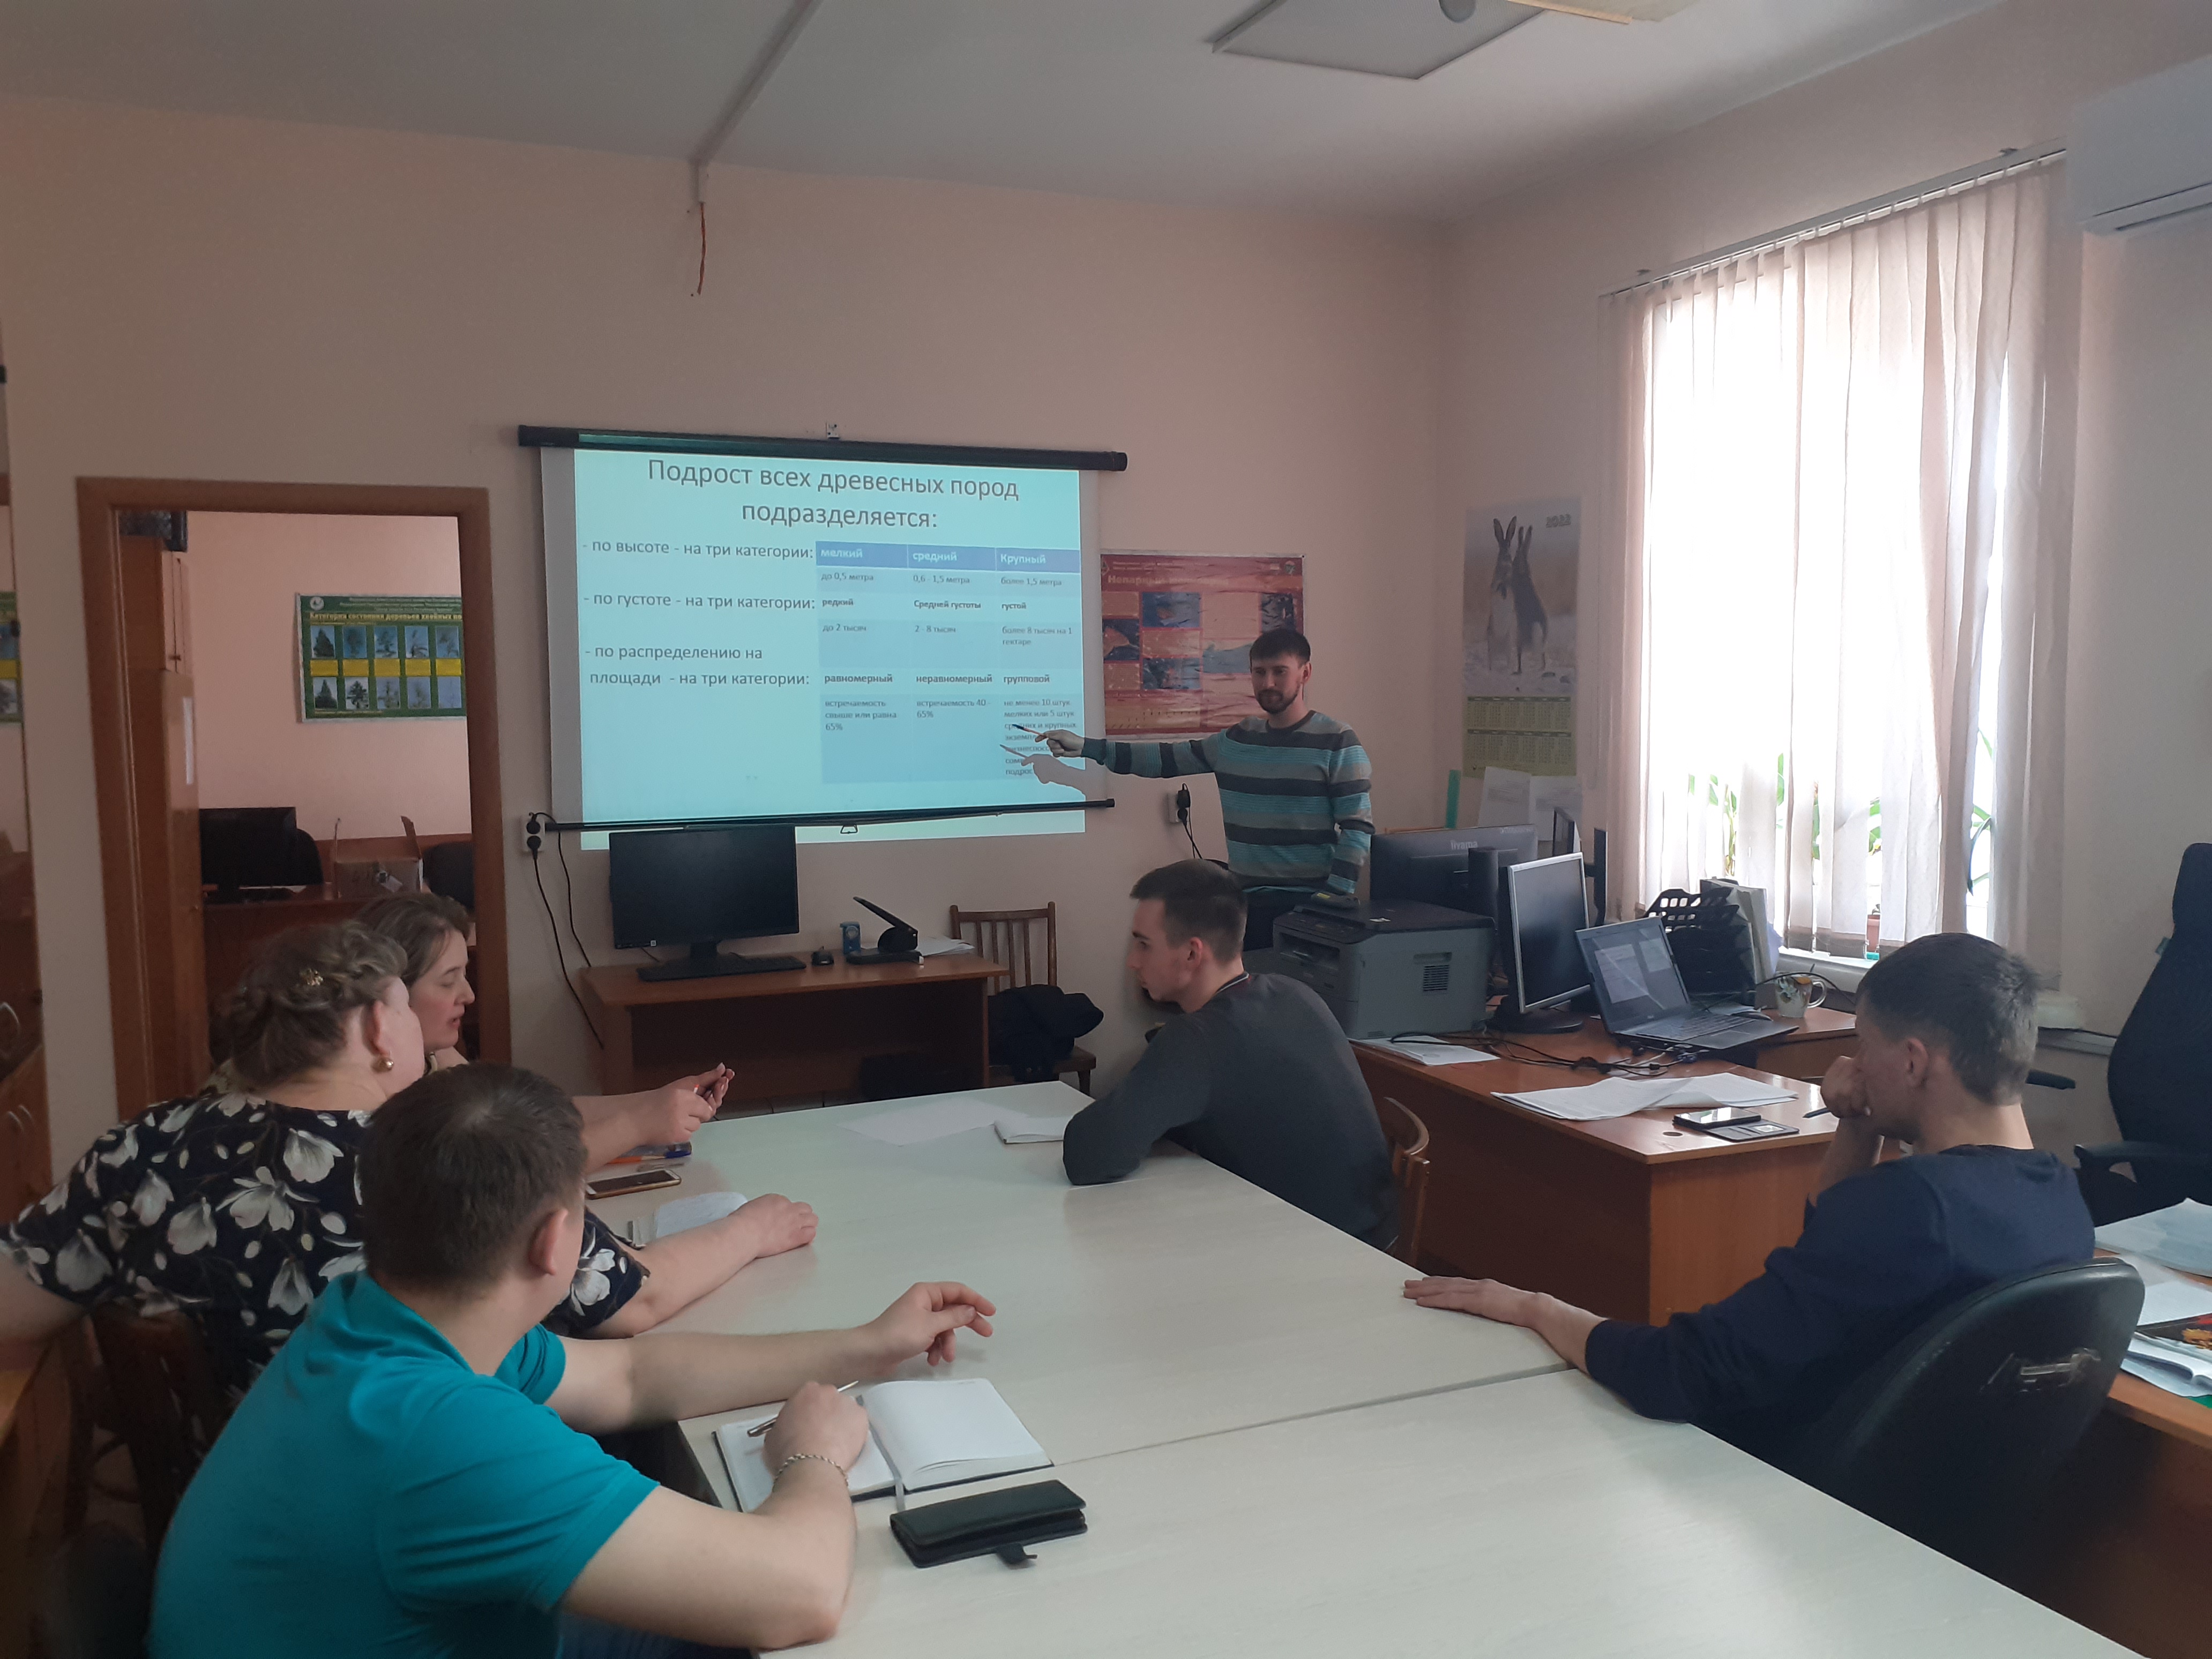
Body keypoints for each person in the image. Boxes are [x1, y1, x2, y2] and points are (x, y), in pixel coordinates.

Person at [150, 1063, 997, 1659]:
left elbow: (632, 1377)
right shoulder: (440, 1435)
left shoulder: (382, 1316)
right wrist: (812, 1457)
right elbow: (800, 1592)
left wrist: (865, 1344)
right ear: (557, 1242)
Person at [1404, 932, 2095, 1463]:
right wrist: (1859, 1124)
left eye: (1865, 1046)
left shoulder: (1911, 1210)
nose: (1854, 1066)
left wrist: (1536, 1308)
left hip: (1772, 1492)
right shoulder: (2064, 1204)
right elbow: (1835, 1251)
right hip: (1907, 1509)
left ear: (1913, 1062)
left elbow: (1681, 1373)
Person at [357, 892, 818, 1337]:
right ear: (386, 1010)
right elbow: (637, 1294)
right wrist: (754, 1228)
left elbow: (528, 1121)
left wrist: (651, 1103)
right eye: (448, 981)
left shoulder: (428, 1066)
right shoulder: (414, 1143)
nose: (470, 995)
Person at [0, 924, 426, 1393]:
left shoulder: (147, 1144)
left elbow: (10, 1310)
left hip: (208, 1441)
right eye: (407, 1008)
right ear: (379, 1028)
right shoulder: (427, 1164)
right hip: (397, 1437)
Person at [1062, 861, 1397, 1248]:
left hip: (1319, 1255)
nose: (1132, 961)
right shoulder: (1294, 993)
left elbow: (1088, 1156)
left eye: (1144, 944)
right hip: (1372, 1235)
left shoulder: (1198, 1039)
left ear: (1192, 954)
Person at [1041, 626, 1372, 950]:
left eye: (1280, 672)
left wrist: (1331, 901)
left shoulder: (1338, 742)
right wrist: (1086, 747)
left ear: (1305, 673)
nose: (1268, 683)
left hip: (1311, 910)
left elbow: (1357, 828)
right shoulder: (1235, 742)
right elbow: (1163, 759)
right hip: (1246, 910)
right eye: (1259, 672)